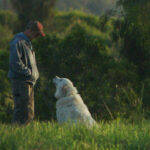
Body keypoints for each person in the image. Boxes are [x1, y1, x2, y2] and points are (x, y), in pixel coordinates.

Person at [8, 21, 45, 125]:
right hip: (21, 81)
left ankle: (24, 133)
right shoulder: (18, 42)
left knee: (29, 111)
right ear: (29, 30)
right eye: (36, 34)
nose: (36, 37)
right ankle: (17, 134)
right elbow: (15, 63)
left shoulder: (27, 42)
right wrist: (28, 73)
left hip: (28, 81)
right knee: (22, 110)